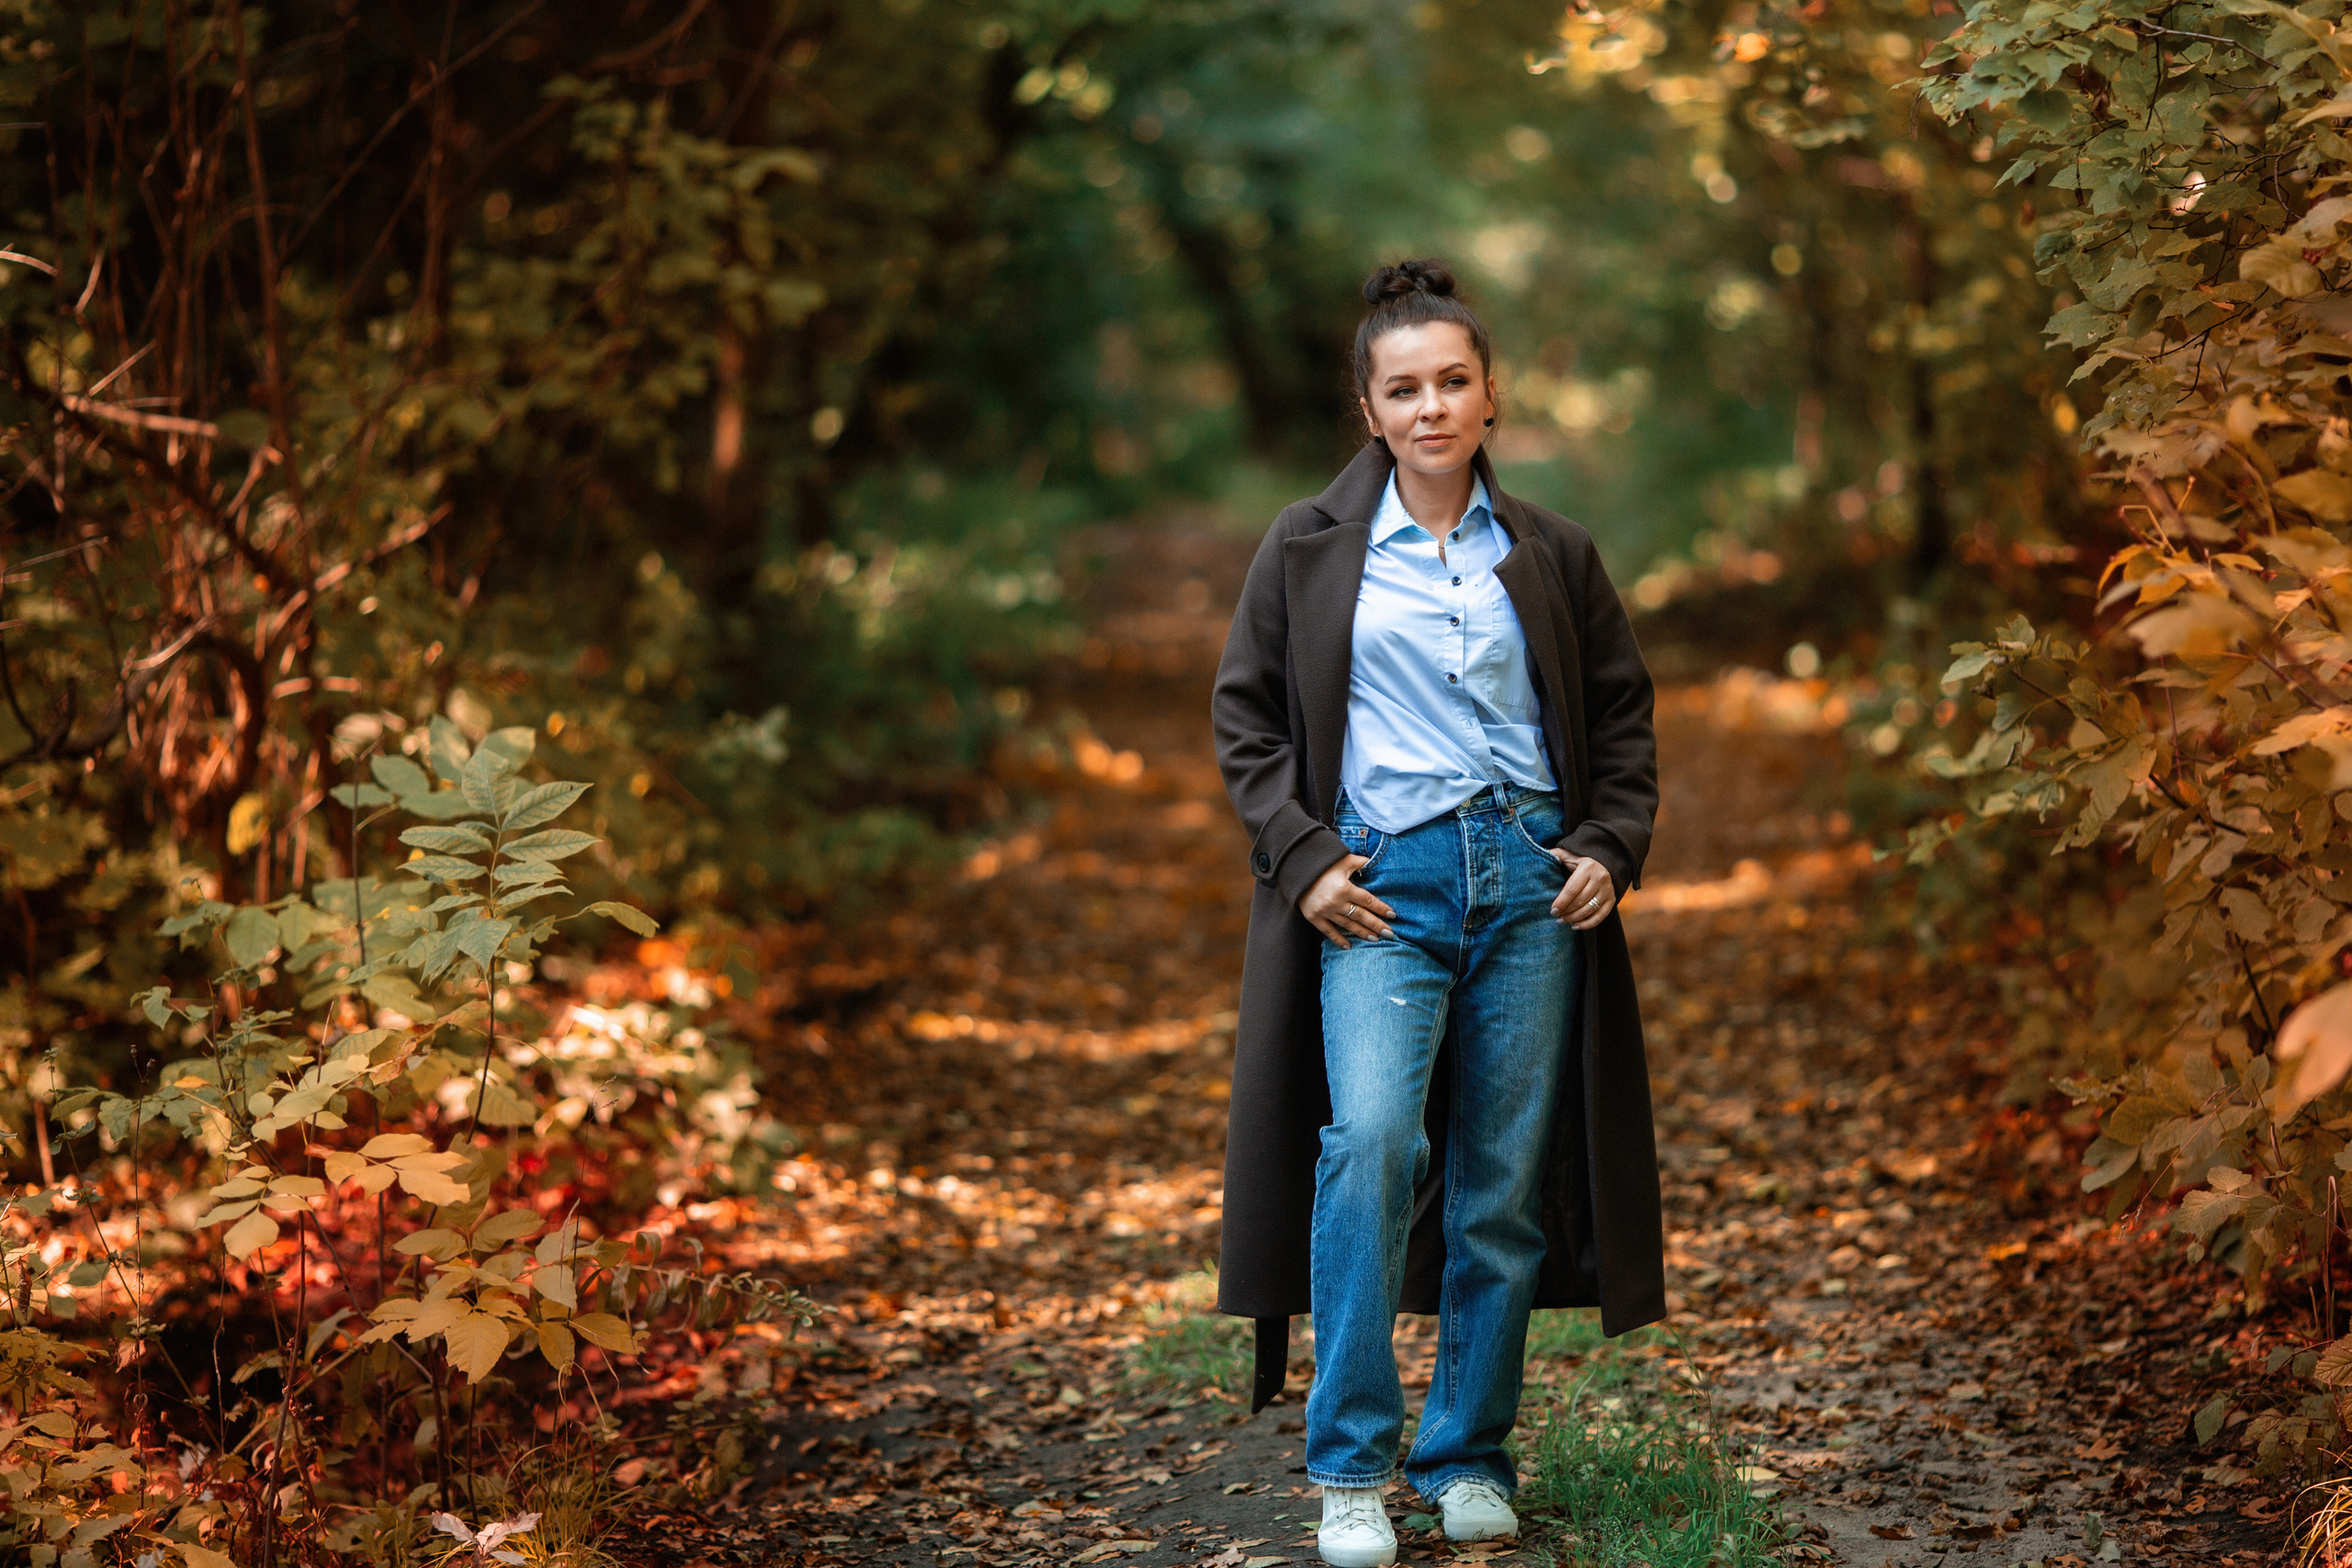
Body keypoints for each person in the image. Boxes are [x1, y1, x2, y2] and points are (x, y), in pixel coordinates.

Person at [1210, 258, 1666, 1566]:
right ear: (1368, 408)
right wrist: (1305, 861)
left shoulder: (1553, 554)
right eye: (1402, 388)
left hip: (1528, 882)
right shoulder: (1306, 548)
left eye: (1452, 381)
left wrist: (1609, 842)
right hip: (1378, 891)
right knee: (1368, 1148)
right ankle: (1351, 1469)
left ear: (1489, 394)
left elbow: (1622, 717)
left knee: (1500, 1186)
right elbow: (1245, 716)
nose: (1430, 407)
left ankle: (1466, 1454)